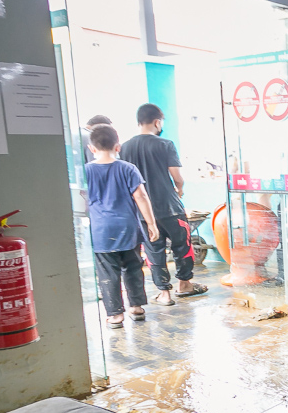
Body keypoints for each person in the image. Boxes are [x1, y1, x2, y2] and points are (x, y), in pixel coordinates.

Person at [121, 103, 208, 305]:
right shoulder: (165, 144)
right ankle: (185, 284)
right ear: (157, 122)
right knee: (182, 246)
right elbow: (177, 176)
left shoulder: (125, 148)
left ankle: (164, 293)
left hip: (143, 212)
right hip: (170, 208)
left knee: (153, 251)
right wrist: (180, 188)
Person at [85, 125, 160, 328]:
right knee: (133, 268)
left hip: (101, 231)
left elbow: (81, 200)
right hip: (128, 229)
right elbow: (141, 196)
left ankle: (115, 315)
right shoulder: (128, 168)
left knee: (107, 273)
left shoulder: (86, 171)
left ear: (92, 148)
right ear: (117, 146)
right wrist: (151, 223)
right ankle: (136, 307)